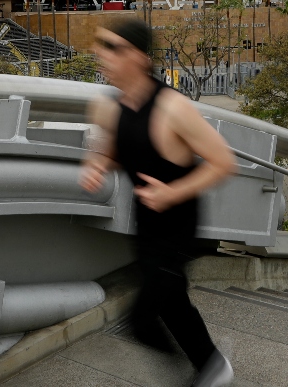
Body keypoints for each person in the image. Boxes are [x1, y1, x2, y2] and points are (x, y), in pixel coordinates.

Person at [80, 19, 236, 387]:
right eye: (100, 45)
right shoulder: (109, 109)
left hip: (178, 229)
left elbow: (223, 162)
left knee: (143, 319)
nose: (100, 54)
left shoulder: (173, 109)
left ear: (137, 56)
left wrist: (170, 193)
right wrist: (98, 164)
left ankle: (209, 368)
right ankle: (211, 367)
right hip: (145, 224)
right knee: (170, 302)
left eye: (111, 47)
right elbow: (119, 150)